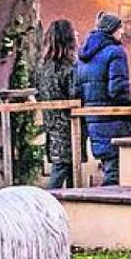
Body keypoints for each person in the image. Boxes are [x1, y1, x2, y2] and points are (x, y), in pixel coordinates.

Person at [74, 11, 131, 186]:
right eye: (120, 28)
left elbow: (77, 89)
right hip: (114, 118)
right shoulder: (115, 52)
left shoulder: (83, 56)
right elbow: (117, 89)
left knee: (108, 165)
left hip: (93, 118)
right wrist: (129, 110)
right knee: (115, 171)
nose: (122, 32)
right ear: (112, 30)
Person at [34, 19, 77, 189]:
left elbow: (38, 93)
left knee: (63, 166)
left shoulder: (42, 67)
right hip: (68, 124)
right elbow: (74, 93)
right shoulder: (69, 68)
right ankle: (47, 202)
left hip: (50, 123)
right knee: (63, 169)